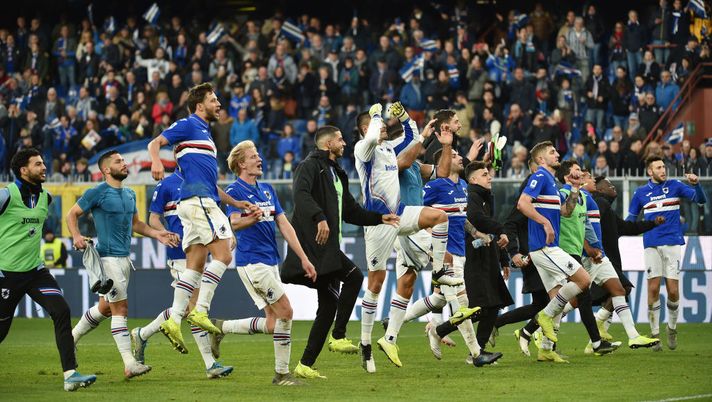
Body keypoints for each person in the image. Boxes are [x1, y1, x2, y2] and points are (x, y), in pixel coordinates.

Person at [148, 82, 260, 353]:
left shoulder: (206, 136)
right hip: (198, 202)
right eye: (213, 100)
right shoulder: (188, 124)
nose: (218, 104)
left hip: (199, 199)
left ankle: (174, 320)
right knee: (224, 255)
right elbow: (155, 142)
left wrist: (235, 201)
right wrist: (155, 161)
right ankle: (201, 311)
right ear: (200, 106)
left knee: (195, 266)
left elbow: (211, 184)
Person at [280, 126, 398, 379]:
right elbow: (299, 195)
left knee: (328, 306)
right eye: (340, 139)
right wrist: (320, 217)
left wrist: (379, 218)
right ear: (327, 144)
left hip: (329, 248)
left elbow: (351, 211)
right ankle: (339, 335)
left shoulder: (336, 173)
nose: (344, 143)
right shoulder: (309, 166)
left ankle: (305, 365)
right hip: (316, 246)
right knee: (354, 277)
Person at [354, 102, 461, 373]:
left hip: (400, 214)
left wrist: (404, 118)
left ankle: (438, 272)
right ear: (368, 129)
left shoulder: (389, 149)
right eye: (379, 126)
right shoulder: (363, 150)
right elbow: (396, 150)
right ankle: (366, 344)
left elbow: (413, 140)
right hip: (378, 221)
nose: (386, 130)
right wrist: (378, 114)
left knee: (439, 218)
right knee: (376, 282)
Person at [210, 140, 316, 385]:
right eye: (253, 156)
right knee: (286, 311)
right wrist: (251, 219)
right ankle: (281, 374)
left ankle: (220, 327)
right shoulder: (235, 191)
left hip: (270, 261)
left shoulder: (268, 189)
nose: (259, 159)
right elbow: (234, 223)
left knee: (272, 323)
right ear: (241, 164)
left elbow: (284, 224)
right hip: (252, 262)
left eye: (258, 155)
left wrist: (303, 257)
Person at [67, 150, 178, 378]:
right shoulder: (97, 192)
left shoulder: (129, 193)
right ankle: (129, 363)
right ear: (106, 169)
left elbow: (137, 224)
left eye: (123, 160)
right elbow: (71, 214)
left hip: (124, 259)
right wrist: (76, 236)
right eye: (118, 161)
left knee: (106, 308)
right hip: (106, 258)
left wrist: (158, 234)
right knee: (121, 309)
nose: (124, 163)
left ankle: (71, 339)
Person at [0, 148, 96, 391]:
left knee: (61, 310)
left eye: (43, 163)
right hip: (6, 275)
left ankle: (70, 375)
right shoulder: (6, 196)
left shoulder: (47, 198)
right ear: (23, 171)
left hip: (35, 272)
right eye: (38, 164)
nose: (44, 167)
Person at [132, 168, 234, 378]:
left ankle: (142, 334)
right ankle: (210, 365)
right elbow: (154, 218)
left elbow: (216, 213)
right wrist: (163, 233)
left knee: (187, 311)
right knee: (195, 308)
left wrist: (228, 234)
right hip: (179, 252)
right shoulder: (167, 184)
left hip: (202, 249)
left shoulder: (203, 178)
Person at [424, 159, 508, 367]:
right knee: (474, 306)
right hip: (470, 256)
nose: (489, 177)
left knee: (491, 305)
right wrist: (499, 229)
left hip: (485, 255)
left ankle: (464, 344)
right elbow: (474, 219)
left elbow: (474, 223)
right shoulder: (470, 194)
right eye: (484, 174)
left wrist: (502, 257)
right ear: (473, 179)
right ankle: (445, 335)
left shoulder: (480, 193)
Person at [516, 141, 592, 363]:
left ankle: (546, 349)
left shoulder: (552, 183)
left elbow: (566, 212)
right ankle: (543, 318)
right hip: (545, 247)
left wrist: (576, 188)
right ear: (541, 160)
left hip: (546, 248)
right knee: (583, 281)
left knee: (556, 297)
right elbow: (522, 203)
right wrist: (545, 224)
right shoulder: (539, 177)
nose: (557, 154)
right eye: (552, 152)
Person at [627, 156, 707, 351]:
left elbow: (701, 201)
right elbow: (630, 219)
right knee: (653, 289)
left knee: (672, 290)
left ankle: (671, 328)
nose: (663, 170)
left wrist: (696, 185)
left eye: (663, 167)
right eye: (658, 167)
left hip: (672, 242)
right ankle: (655, 334)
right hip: (651, 243)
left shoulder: (675, 186)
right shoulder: (640, 193)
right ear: (650, 172)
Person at [579, 172, 661, 351]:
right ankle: (536, 328)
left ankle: (607, 340)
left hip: (603, 259)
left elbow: (627, 227)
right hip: (597, 259)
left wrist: (652, 223)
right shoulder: (599, 204)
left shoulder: (606, 208)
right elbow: (584, 226)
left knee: (617, 291)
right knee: (574, 299)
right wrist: (590, 249)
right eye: (609, 185)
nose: (613, 187)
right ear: (600, 189)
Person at [496, 158, 548, 357]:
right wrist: (514, 252)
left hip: (546, 253)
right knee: (551, 302)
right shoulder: (528, 193)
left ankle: (525, 333)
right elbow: (510, 223)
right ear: (536, 166)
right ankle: (530, 335)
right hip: (533, 255)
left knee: (545, 304)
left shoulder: (547, 189)